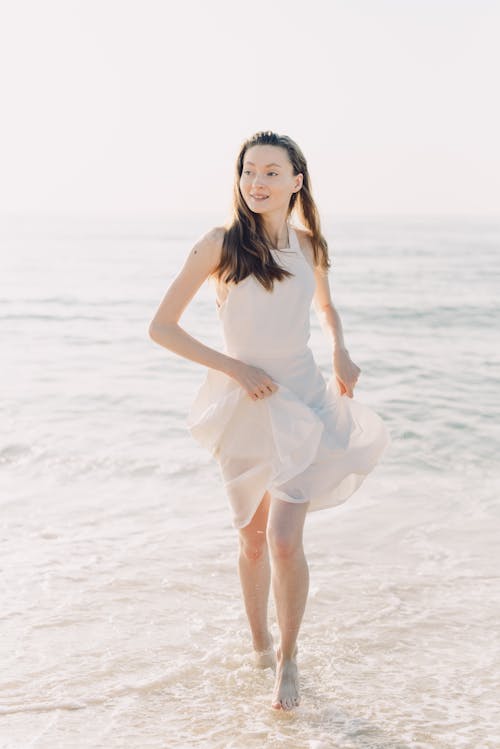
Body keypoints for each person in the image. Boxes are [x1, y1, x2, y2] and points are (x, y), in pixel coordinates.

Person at [148, 130, 391, 711]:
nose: (257, 182)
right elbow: (162, 327)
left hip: (302, 400)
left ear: (296, 182)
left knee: (284, 541)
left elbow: (326, 307)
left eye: (271, 173)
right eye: (249, 171)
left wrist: (339, 350)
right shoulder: (219, 244)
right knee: (252, 542)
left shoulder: (310, 245)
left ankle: (288, 660)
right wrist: (234, 368)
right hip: (246, 405)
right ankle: (258, 648)